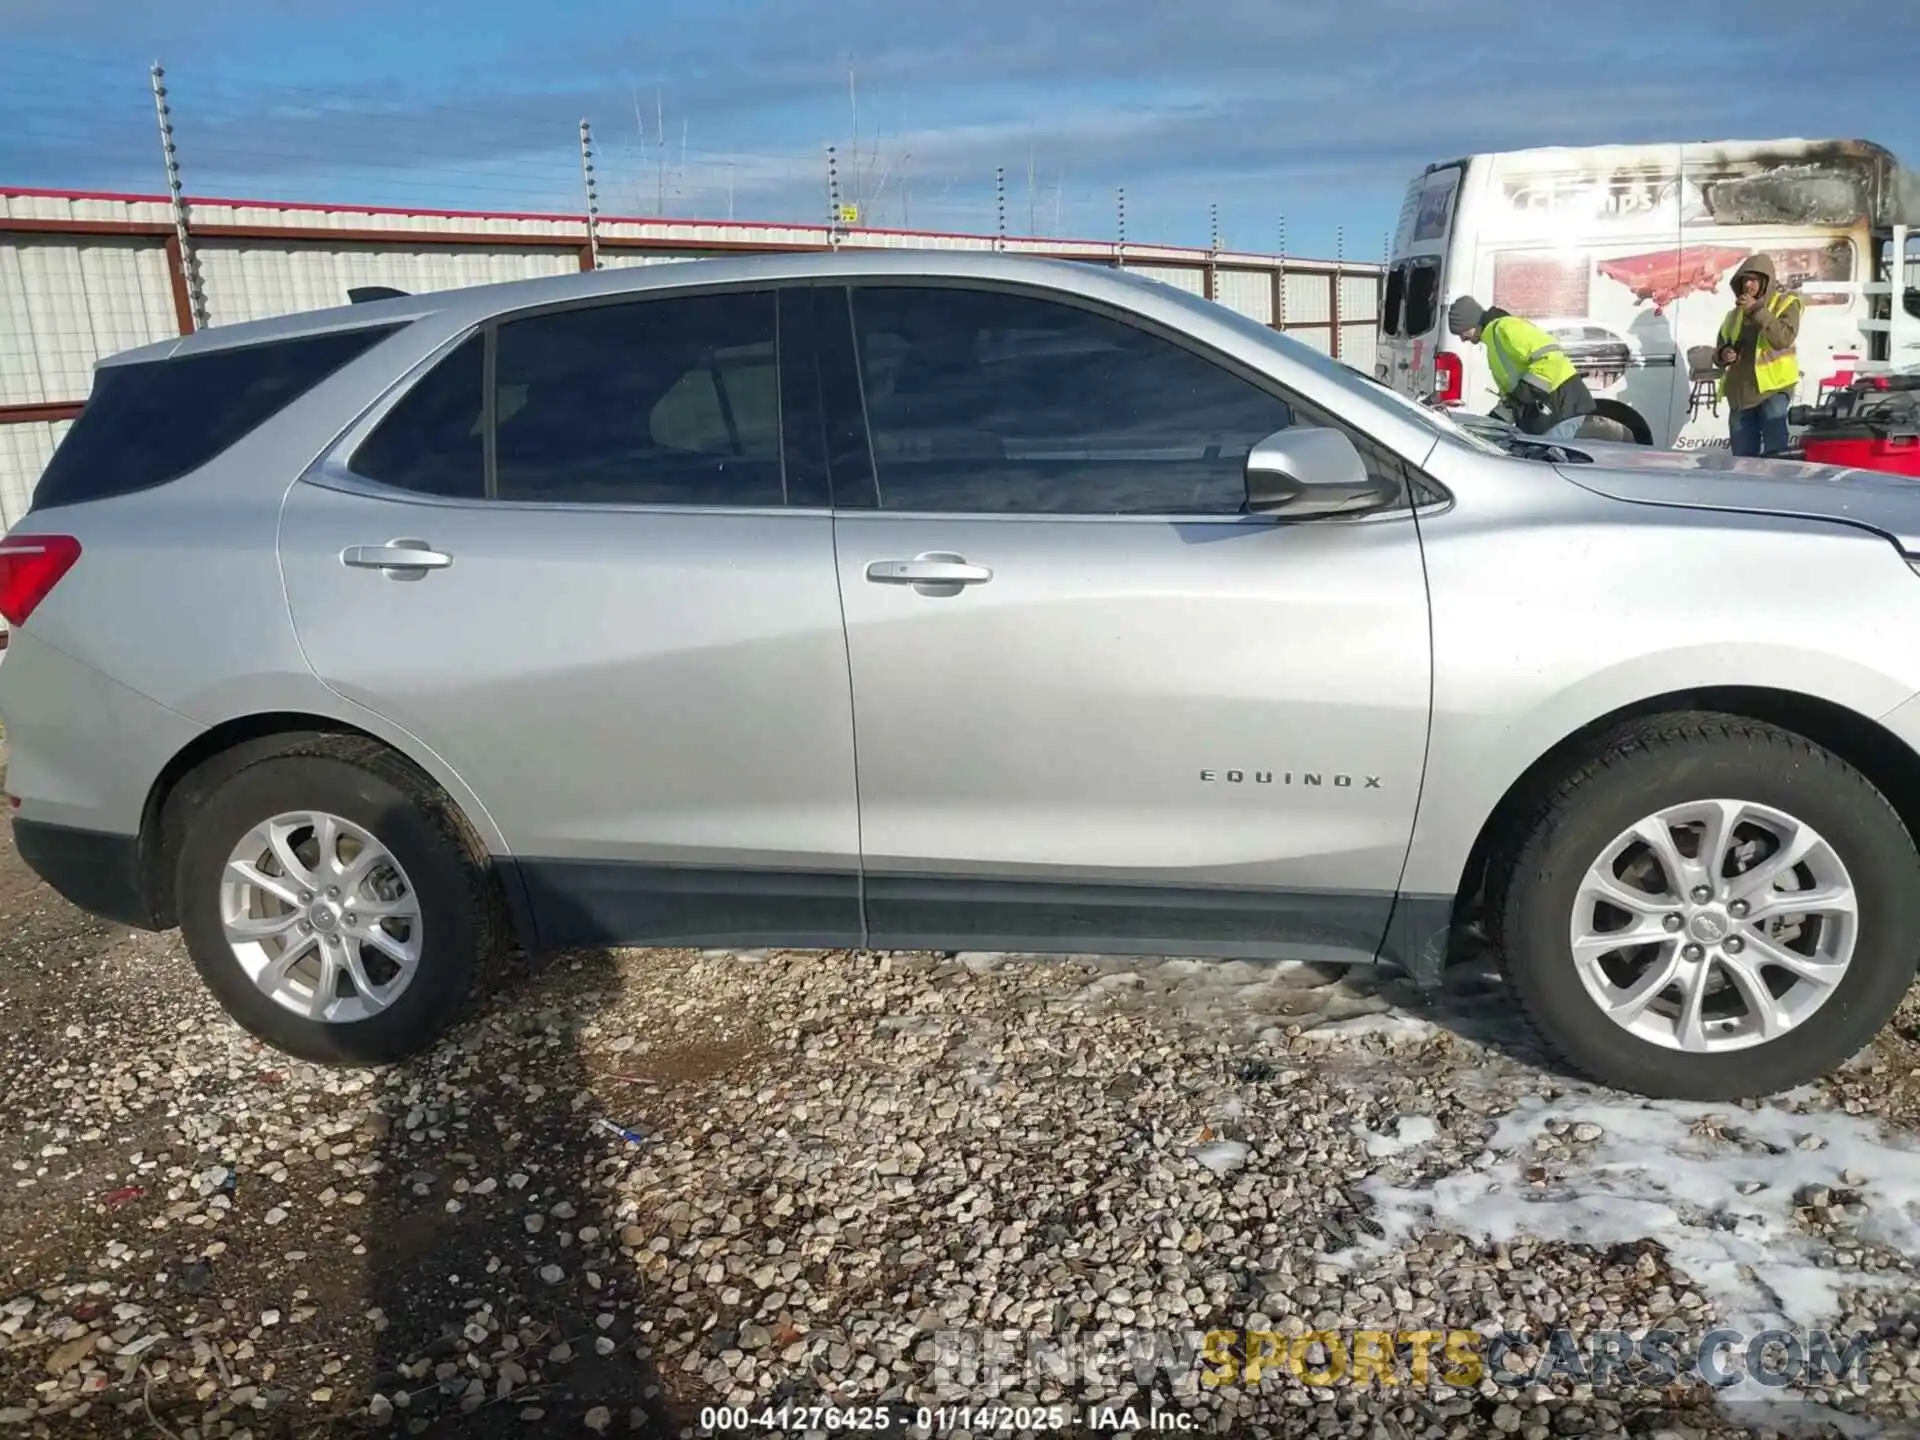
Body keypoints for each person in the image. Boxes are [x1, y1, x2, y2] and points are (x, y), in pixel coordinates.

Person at [1445, 297, 1597, 441]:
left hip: (1561, 407)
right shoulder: (1493, 341)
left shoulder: (1506, 328)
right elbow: (1514, 396)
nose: (1463, 339)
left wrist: (1527, 391)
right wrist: (1491, 423)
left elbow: (1551, 355)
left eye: (1462, 333)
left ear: (1472, 323)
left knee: (1548, 465)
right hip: (1550, 412)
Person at [1712, 253, 1803, 457]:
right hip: (1741, 394)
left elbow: (1782, 339)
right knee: (1743, 458)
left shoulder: (1786, 303)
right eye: (1745, 280)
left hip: (1773, 389)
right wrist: (1724, 354)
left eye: (1753, 280)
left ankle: (1777, 487)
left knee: (1776, 454)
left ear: (1765, 281)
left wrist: (1756, 310)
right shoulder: (1734, 314)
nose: (1748, 286)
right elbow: (1719, 349)